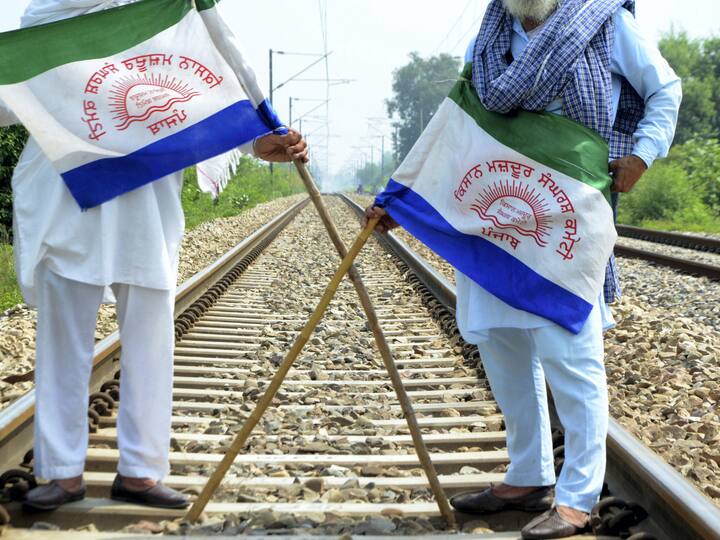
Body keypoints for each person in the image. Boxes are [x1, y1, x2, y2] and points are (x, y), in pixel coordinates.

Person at [365, 0, 681, 538]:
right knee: (501, 343)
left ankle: (577, 498)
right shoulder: (489, 37)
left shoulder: (606, 22)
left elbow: (665, 90)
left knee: (569, 354)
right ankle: (527, 475)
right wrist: (403, 198)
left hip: (564, 214)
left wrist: (644, 154)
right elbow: (458, 123)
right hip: (494, 212)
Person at [0, 0, 308, 511]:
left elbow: (204, 85)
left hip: (145, 192)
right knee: (62, 334)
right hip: (65, 187)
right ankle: (61, 474)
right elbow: (14, 99)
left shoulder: (161, 15)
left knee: (150, 328)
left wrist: (259, 139)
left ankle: (142, 471)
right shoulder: (46, 19)